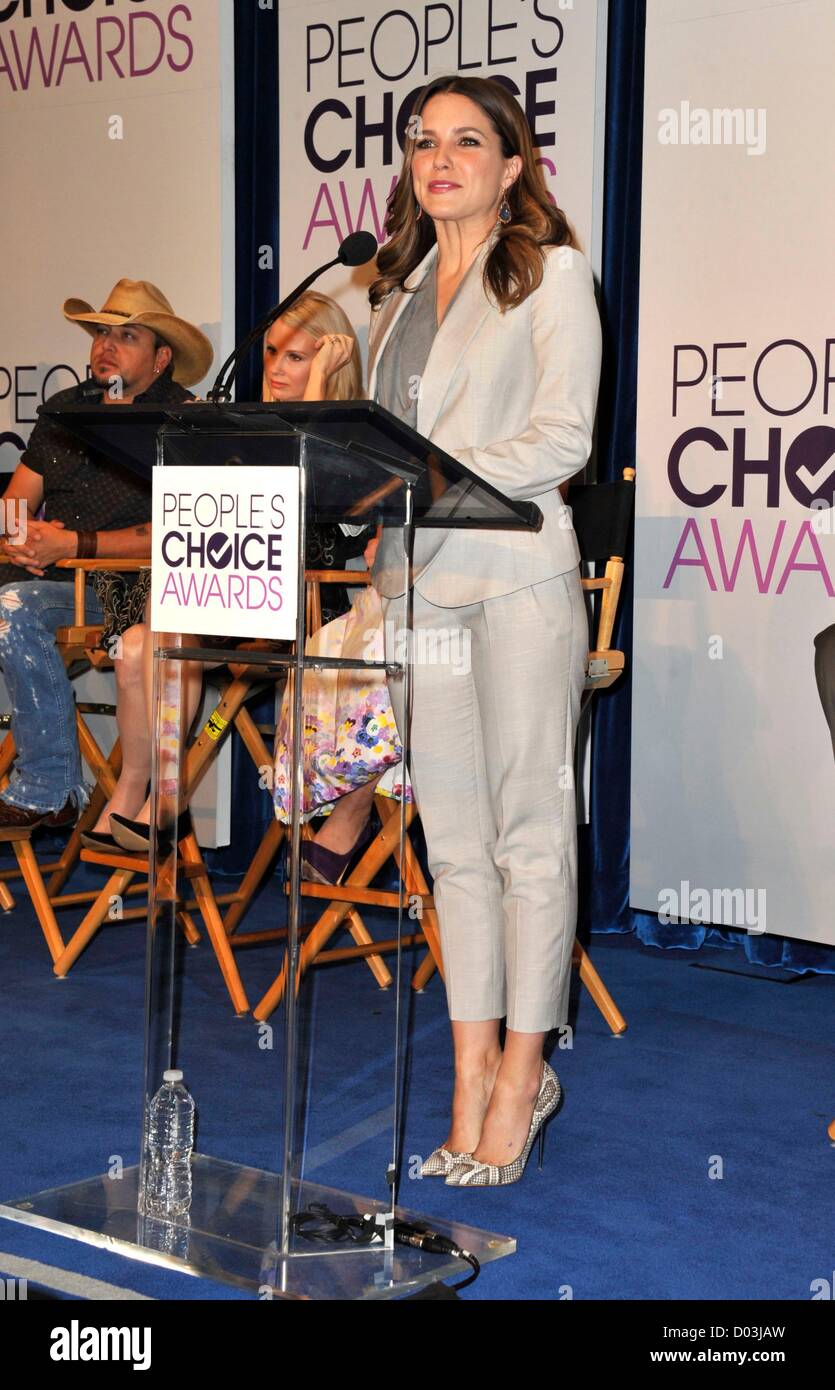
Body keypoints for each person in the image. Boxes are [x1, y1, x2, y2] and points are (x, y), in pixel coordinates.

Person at [367, 75, 602, 1186]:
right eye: (425, 141)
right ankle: (464, 1076)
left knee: (530, 842)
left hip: (512, 578)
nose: (441, 156)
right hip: (416, 589)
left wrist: (431, 481)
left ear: (513, 166)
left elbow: (562, 437)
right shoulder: (390, 290)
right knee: (451, 848)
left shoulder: (549, 272)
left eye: (470, 140)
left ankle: (524, 1073)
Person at [90, 292, 401, 870]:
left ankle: (150, 798)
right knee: (139, 645)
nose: (278, 368)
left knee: (161, 628)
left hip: (313, 607)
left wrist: (315, 400)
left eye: (298, 358)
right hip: (244, 597)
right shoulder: (248, 428)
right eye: (274, 353)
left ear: (332, 363)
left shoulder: (362, 431)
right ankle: (148, 790)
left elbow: (308, 509)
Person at [0, 279, 212, 831]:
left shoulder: (184, 419)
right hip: (57, 579)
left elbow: (181, 530)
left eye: (126, 335)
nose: (105, 346)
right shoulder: (66, 410)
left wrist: (73, 544)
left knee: (12, 609)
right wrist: (18, 540)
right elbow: (14, 506)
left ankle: (49, 789)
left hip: (136, 591)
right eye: (100, 333)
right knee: (14, 596)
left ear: (162, 358)